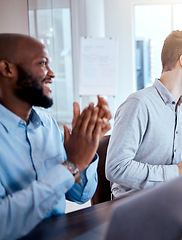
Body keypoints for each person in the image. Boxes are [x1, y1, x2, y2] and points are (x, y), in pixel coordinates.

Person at [0, 33, 112, 239]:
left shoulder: (48, 125)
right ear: (8, 69)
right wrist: (71, 164)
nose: (52, 74)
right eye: (42, 63)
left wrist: (87, 148)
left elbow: (80, 196)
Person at [106, 30, 182, 197]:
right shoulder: (138, 104)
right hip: (135, 203)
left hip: (173, 196)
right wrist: (176, 172)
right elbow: (116, 168)